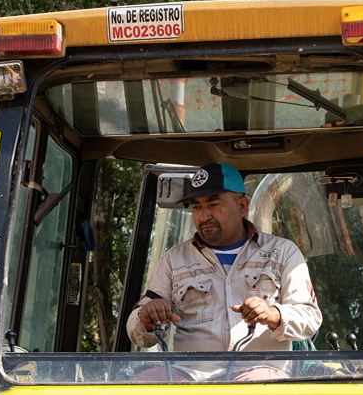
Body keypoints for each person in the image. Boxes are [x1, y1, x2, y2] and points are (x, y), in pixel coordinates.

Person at [126, 162, 322, 380]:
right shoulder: (174, 260)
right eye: (197, 207)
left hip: (259, 373)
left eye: (213, 204)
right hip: (188, 376)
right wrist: (146, 316)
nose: (204, 215)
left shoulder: (282, 252)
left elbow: (310, 318)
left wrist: (273, 314)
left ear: (242, 206)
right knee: (146, 383)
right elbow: (138, 335)